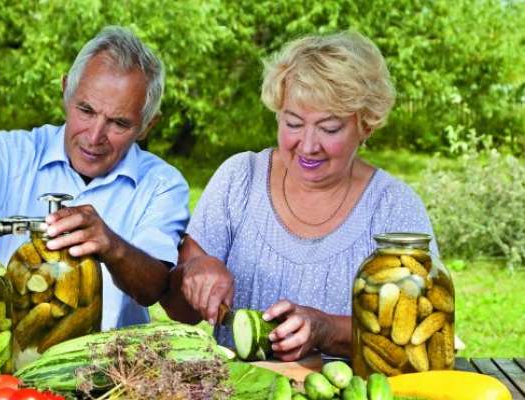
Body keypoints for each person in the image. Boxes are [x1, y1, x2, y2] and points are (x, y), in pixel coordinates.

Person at [160, 31, 438, 361]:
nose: (307, 146)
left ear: (366, 125)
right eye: (293, 123)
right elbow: (180, 310)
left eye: (330, 128)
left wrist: (327, 329)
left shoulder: (393, 206)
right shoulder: (240, 178)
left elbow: (423, 330)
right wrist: (194, 272)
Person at [0, 26, 189, 330]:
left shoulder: (162, 184)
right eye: (85, 110)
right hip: (3, 367)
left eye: (119, 123)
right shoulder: (10, 152)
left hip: (109, 370)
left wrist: (114, 247)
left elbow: (154, 288)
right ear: (65, 91)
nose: (95, 136)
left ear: (147, 126)